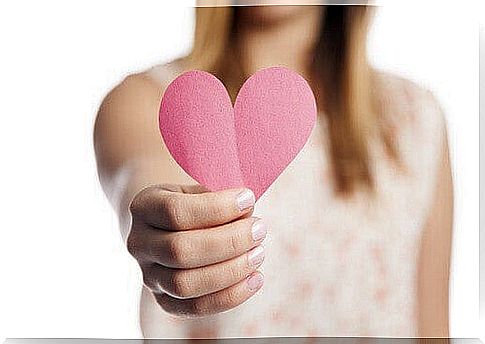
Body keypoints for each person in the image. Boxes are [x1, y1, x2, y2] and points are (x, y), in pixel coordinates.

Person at [94, 4, 453, 339]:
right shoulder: (153, 102)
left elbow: (432, 327)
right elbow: (141, 180)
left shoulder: (414, 119)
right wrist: (162, 226)